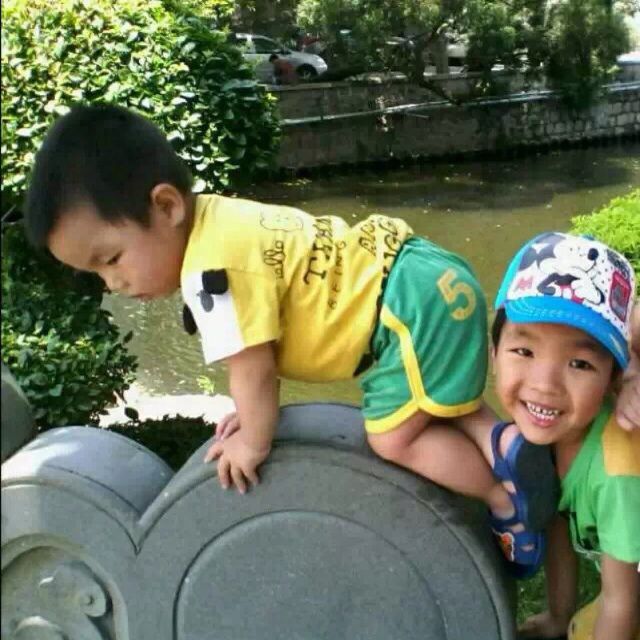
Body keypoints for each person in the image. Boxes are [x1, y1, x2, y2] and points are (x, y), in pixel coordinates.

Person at [22, 105, 634, 577]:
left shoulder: (210, 274)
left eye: (111, 259)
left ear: (165, 206)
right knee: (430, 404)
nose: (113, 283)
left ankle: (503, 501)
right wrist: (246, 410)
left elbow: (255, 368)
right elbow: (257, 352)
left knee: (393, 438)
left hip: (402, 312)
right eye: (96, 274)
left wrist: (253, 440)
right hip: (423, 273)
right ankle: (500, 441)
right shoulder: (222, 220)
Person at [490, 231, 640, 640]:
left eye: (579, 363)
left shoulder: (616, 474)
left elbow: (622, 601)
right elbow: (559, 523)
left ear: (614, 378)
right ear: (494, 353)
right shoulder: (551, 438)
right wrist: (558, 615)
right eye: (524, 352)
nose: (545, 385)